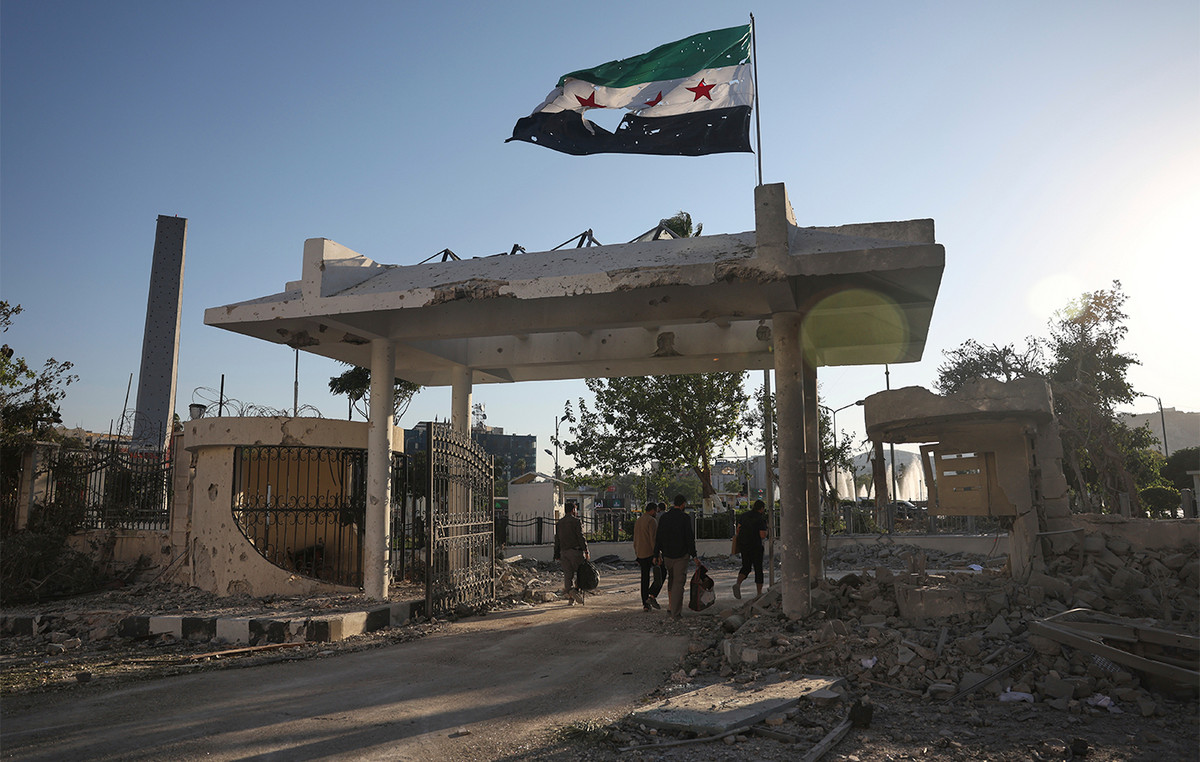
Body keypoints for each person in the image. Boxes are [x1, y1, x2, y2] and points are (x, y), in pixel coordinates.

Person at [654, 494, 696, 620]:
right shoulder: (685, 518)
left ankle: (671, 606)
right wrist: (694, 555)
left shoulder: (664, 517)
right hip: (681, 556)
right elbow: (689, 538)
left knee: (671, 580)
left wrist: (656, 554)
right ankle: (675, 613)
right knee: (678, 583)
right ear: (683, 504)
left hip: (667, 555)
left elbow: (658, 537)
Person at [553, 502, 589, 605]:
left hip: (563, 552)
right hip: (575, 552)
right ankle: (575, 591)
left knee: (568, 576)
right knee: (580, 574)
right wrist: (586, 550)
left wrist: (556, 554)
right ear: (573, 510)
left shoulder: (559, 523)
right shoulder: (576, 521)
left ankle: (571, 597)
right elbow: (580, 537)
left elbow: (557, 539)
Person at [733, 499, 769, 599]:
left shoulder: (744, 516)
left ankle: (738, 584)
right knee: (758, 569)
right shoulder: (760, 519)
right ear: (761, 509)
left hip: (744, 545)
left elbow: (738, 529)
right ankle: (759, 593)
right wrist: (767, 531)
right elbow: (762, 535)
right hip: (756, 546)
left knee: (746, 567)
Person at [633, 502, 664, 610]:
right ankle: (652, 594)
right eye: (656, 511)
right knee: (662, 572)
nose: (656, 513)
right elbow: (653, 539)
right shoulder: (652, 521)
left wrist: (637, 552)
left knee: (644, 578)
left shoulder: (639, 520)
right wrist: (657, 555)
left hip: (640, 553)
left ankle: (645, 603)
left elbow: (635, 538)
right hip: (650, 553)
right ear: (652, 510)